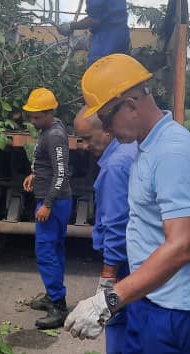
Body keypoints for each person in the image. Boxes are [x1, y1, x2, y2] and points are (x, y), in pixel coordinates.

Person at [64, 54, 190, 353]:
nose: (106, 131)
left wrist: (109, 299)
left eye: (106, 120)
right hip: (150, 300)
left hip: (177, 313)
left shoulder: (172, 152)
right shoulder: (146, 147)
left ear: (131, 105)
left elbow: (182, 246)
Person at [73, 105, 137, 354]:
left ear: (108, 131)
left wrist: (107, 280)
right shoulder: (130, 151)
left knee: (119, 321)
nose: (85, 146)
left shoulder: (116, 166)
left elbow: (117, 225)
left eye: (88, 138)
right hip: (138, 259)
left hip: (125, 265)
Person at [21, 87, 74, 329]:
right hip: (52, 199)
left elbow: (61, 173)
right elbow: (48, 165)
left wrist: (47, 204)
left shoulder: (54, 135)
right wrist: (34, 174)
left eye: (37, 117)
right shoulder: (49, 129)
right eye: (31, 116)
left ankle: (59, 306)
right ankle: (52, 295)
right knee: (55, 249)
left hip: (54, 202)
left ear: (50, 112)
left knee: (46, 251)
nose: (33, 120)